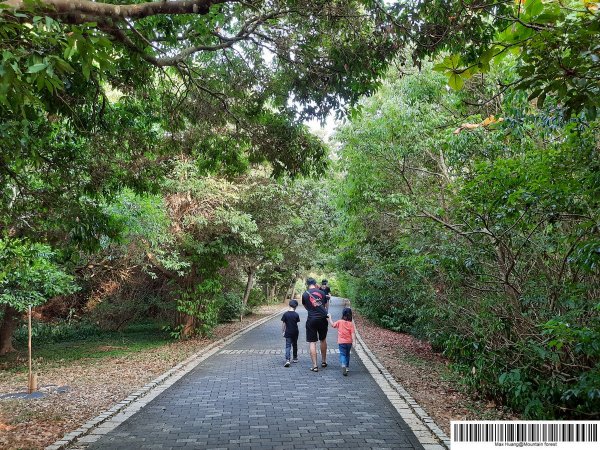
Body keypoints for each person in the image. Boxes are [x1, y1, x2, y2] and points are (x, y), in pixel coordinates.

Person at [302, 277, 329, 372]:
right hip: (322, 319)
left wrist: (312, 310)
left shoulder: (305, 294)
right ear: (315, 283)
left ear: (307, 284)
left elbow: (306, 307)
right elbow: (325, 306)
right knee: (323, 339)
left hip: (311, 320)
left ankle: (314, 365)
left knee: (312, 342)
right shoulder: (321, 293)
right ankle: (324, 361)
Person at [327, 307, 355, 376]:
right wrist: (354, 341)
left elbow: (333, 325)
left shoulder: (339, 322)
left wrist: (329, 318)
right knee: (347, 354)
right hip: (349, 342)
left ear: (343, 314)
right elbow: (353, 333)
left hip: (341, 342)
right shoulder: (351, 324)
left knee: (343, 354)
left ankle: (343, 364)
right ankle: (347, 367)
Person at [281, 300, 300, 367]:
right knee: (295, 344)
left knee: (288, 346)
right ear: (296, 307)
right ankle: (295, 358)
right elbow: (297, 322)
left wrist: (283, 331)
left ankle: (287, 360)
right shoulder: (296, 314)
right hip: (295, 332)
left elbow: (284, 324)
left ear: (289, 305)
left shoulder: (285, 314)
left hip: (288, 332)